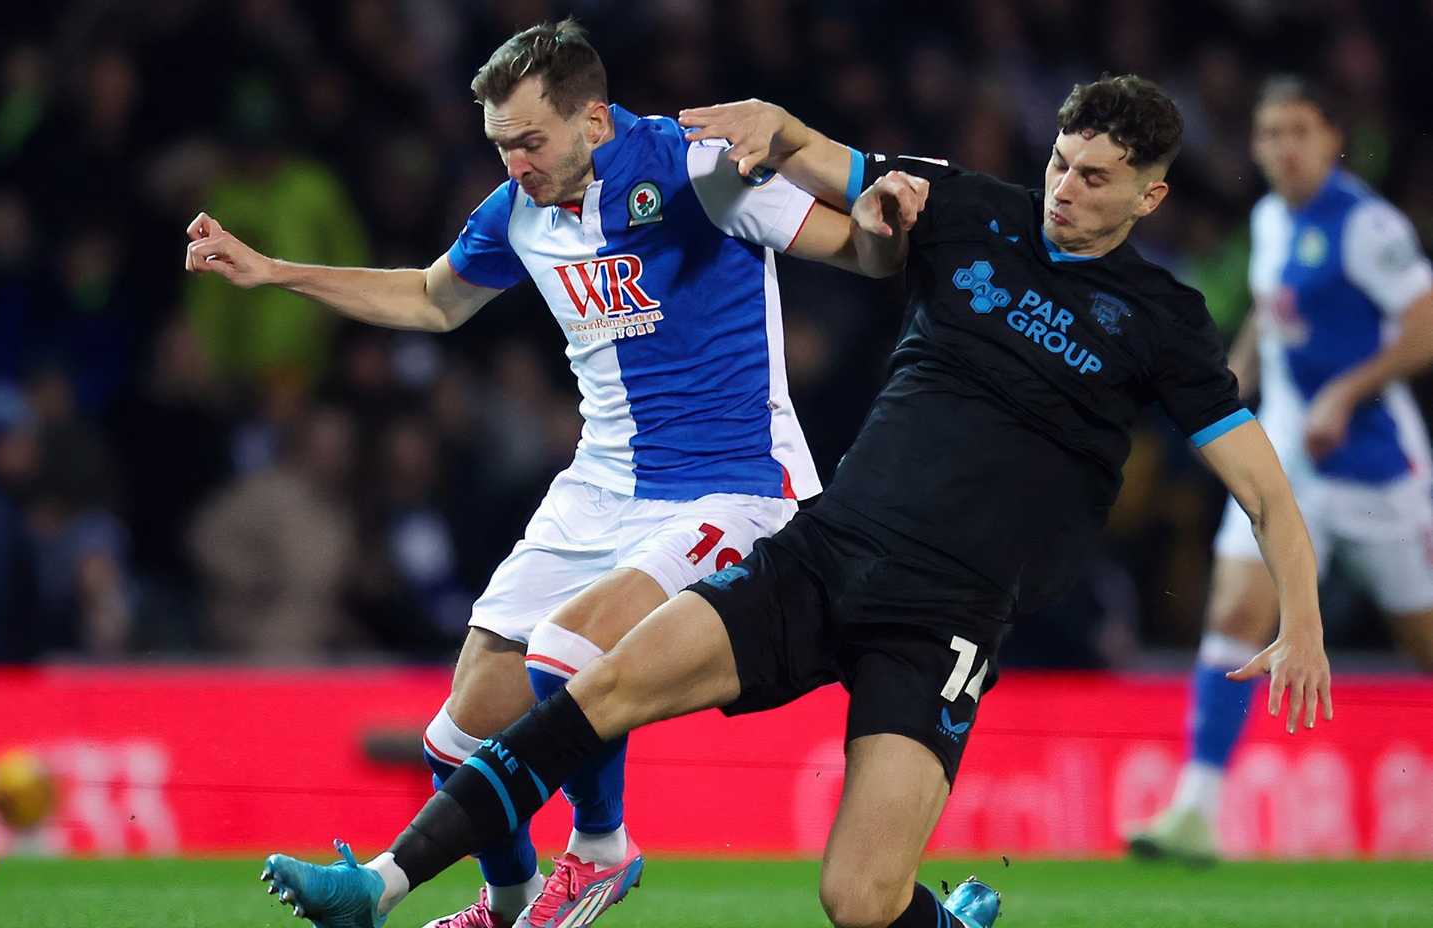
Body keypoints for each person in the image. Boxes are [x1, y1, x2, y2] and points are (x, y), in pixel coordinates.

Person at [255, 74, 1337, 928]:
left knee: (857, 900)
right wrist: (785, 134)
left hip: (943, 618)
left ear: (1150, 194)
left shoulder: (1163, 321)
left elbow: (1265, 489)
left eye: (1097, 178)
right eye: (1060, 162)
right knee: (593, 683)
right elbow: (841, 175)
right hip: (827, 553)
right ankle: (387, 887)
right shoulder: (972, 213)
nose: (1065, 189)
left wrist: (1304, 622)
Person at [186, 19, 875, 928]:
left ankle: (600, 849)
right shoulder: (519, 210)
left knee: (565, 655)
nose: (515, 164)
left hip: (734, 486)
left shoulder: (697, 166)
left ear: (594, 120)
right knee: (457, 736)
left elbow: (860, 247)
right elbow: (432, 299)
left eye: (529, 141)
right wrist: (274, 272)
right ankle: (504, 904)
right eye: (500, 145)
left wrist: (891, 201)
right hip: (600, 487)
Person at [1125, 75, 1433, 864]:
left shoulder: (1368, 226)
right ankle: (1196, 809)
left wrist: (1346, 391)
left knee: (1421, 637)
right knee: (1234, 611)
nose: (1281, 149)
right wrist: (1232, 382)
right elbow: (1271, 308)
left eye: (1297, 131)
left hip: (1377, 471)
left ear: (1331, 139)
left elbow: (1424, 329)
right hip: (1290, 457)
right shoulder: (1268, 220)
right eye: (1268, 134)